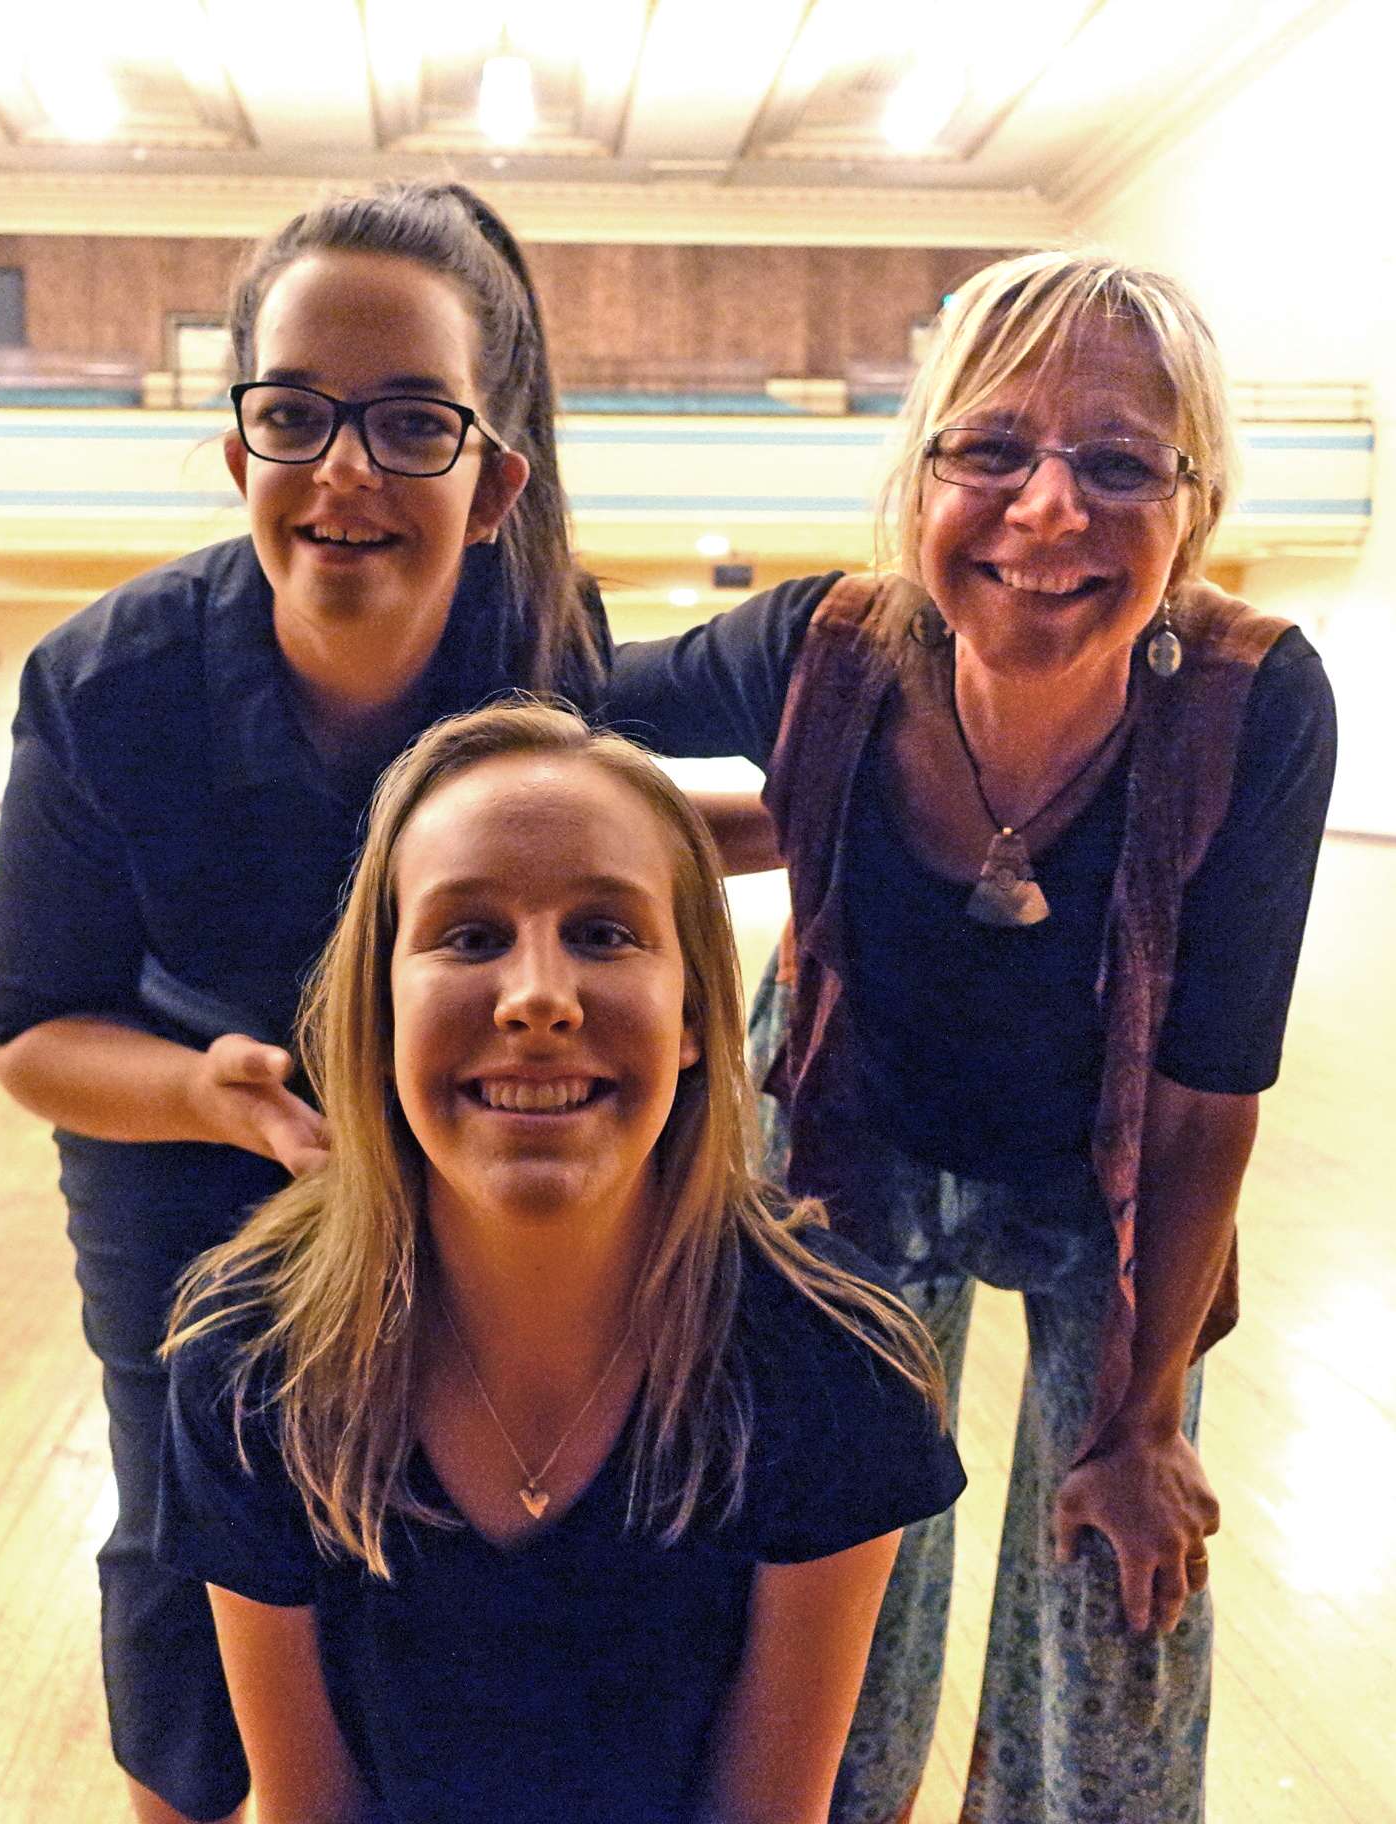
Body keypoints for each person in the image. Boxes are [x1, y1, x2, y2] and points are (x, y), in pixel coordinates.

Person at [603, 252, 1337, 1824]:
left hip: (1118, 1161)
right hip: (857, 1125)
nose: (1049, 507)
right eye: (992, 450)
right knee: (831, 1574)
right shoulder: (821, 650)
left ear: (1190, 508)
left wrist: (1140, 1422)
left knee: (1124, 1584)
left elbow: (1208, 1097)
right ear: (920, 473)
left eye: (1118, 461)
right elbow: (546, 691)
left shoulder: (1250, 702)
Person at [0, 182, 610, 1824]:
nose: (347, 470)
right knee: (184, 1506)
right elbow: (34, 1032)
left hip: (463, 1138)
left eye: (413, 424)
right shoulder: (105, 678)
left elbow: (616, 861)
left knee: (448, 1500)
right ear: (245, 444)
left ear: (492, 485)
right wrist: (210, 1091)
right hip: (179, 1133)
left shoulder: (547, 639)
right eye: (299, 415)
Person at [154, 701, 967, 1824]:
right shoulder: (251, 1361)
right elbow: (308, 1809)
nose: (538, 996)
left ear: (694, 1016)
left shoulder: (840, 1368)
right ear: (379, 1011)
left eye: (604, 933)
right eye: (471, 936)